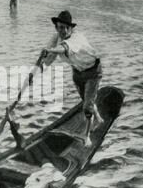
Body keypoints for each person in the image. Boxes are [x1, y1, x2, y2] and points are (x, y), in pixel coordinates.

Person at [41, 10, 104, 148]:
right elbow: (48, 59)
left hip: (92, 71)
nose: (62, 31)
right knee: (86, 100)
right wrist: (39, 67)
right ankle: (98, 119)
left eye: (64, 28)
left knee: (87, 105)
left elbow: (62, 49)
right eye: (59, 27)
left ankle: (86, 137)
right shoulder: (56, 37)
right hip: (77, 71)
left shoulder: (77, 37)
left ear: (70, 28)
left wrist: (50, 50)